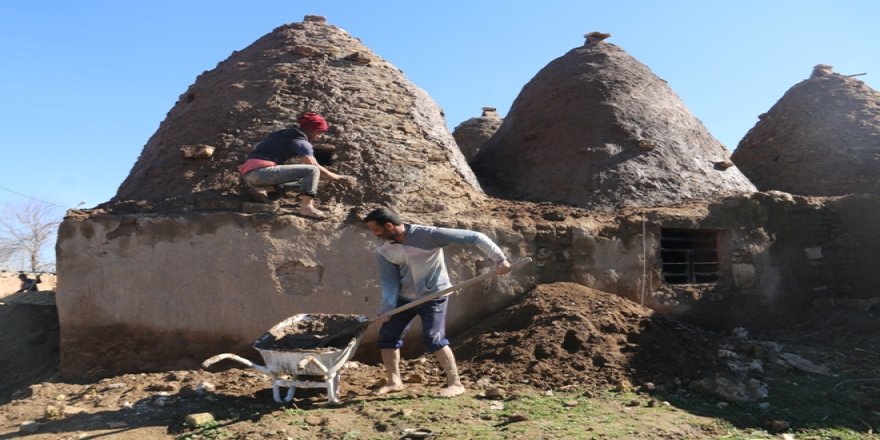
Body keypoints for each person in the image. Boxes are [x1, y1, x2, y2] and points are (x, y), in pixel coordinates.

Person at [363, 207, 512, 397]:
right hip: (404, 298)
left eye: (376, 229)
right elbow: (389, 280)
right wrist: (387, 307)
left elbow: (475, 237)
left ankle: (455, 383)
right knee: (388, 336)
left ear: (389, 226)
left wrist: (499, 259)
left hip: (434, 295)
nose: (374, 234)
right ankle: (394, 381)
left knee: (434, 337)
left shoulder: (428, 235)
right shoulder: (383, 247)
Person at [238, 112, 355, 219]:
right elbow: (314, 166)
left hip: (248, 175)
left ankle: (262, 189)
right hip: (262, 173)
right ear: (311, 130)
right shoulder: (302, 143)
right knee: (312, 171)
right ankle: (306, 208)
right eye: (319, 132)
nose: (320, 136)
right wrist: (338, 178)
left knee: (305, 182)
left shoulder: (279, 134)